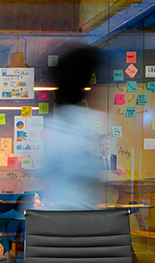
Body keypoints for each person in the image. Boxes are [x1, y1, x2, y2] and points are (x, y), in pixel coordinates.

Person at [39, 46, 104, 210]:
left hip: (60, 214)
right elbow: (93, 171)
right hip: (85, 215)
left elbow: (46, 169)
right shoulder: (94, 122)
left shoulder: (54, 125)